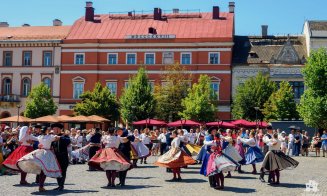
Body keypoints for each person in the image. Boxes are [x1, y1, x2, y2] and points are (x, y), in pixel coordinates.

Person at [17, 126, 61, 192]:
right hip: (47, 153)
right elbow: (58, 138)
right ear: (46, 131)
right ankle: (41, 186)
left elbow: (35, 140)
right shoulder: (50, 137)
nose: (50, 130)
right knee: (44, 170)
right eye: (49, 130)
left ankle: (41, 186)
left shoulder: (40, 137)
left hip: (40, 152)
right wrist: (58, 134)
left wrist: (32, 142)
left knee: (42, 170)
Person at [51, 123, 72, 191]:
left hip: (63, 156)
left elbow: (68, 141)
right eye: (54, 129)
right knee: (57, 171)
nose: (55, 130)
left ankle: (61, 185)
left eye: (57, 129)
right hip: (55, 157)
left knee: (63, 171)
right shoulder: (52, 137)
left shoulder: (64, 136)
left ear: (60, 129)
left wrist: (60, 137)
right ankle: (59, 185)